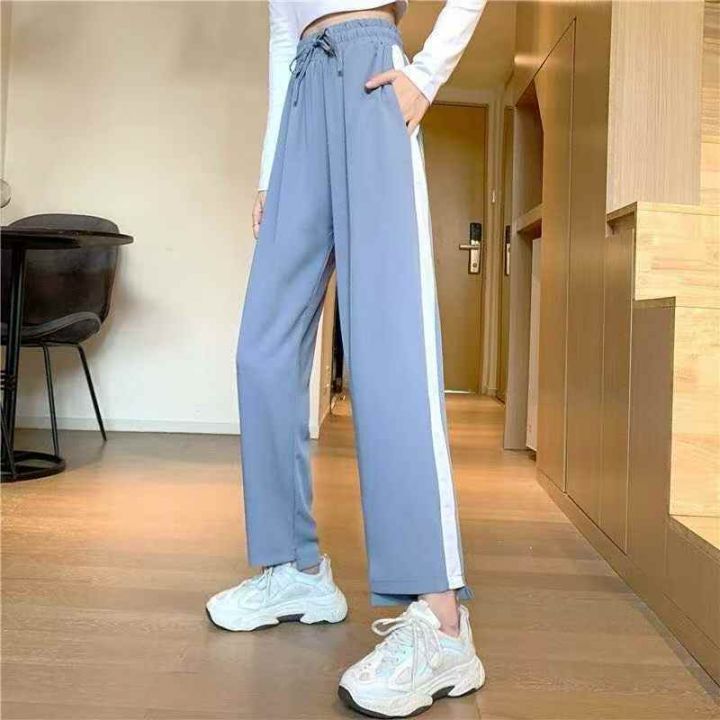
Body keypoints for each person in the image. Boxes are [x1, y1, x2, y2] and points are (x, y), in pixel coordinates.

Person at [207, 1, 487, 716]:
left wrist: (428, 72)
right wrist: (270, 171)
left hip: (370, 76)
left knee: (390, 349)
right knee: (263, 350)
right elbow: (282, 37)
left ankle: (443, 624)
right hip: (303, 95)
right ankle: (295, 569)